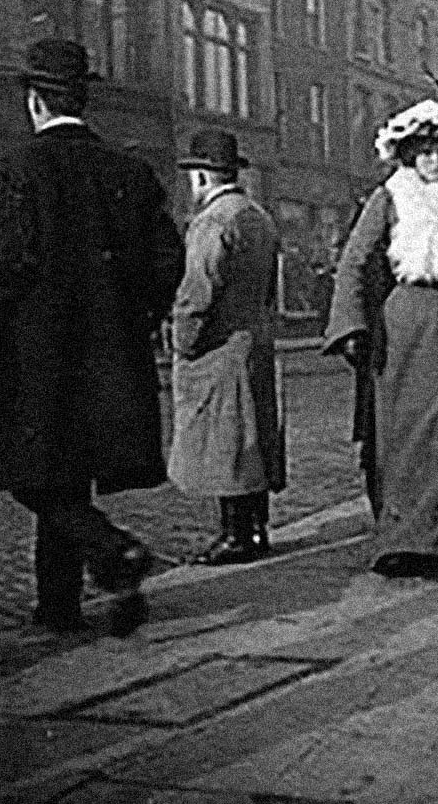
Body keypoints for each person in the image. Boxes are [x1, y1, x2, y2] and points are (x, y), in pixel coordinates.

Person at [0, 39, 185, 636]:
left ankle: (109, 549)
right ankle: (59, 606)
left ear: (34, 102)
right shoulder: (130, 172)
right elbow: (166, 264)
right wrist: (132, 320)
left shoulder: (13, 169)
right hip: (109, 355)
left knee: (32, 474)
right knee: (65, 472)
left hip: (31, 355)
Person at [323, 96, 438, 583]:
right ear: (409, 155)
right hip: (402, 328)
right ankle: (401, 542)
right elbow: (355, 261)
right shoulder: (390, 198)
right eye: (425, 152)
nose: (435, 161)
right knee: (400, 438)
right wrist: (351, 326)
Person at [168, 128, 284, 564]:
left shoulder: (212, 222)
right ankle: (255, 530)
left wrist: (184, 344)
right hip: (254, 342)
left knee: (225, 443)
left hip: (219, 349)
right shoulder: (258, 216)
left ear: (201, 177)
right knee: (252, 438)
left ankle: (234, 536)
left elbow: (195, 294)